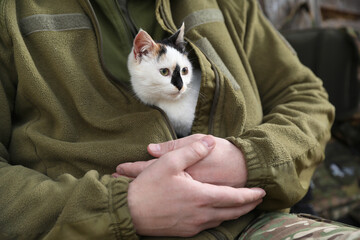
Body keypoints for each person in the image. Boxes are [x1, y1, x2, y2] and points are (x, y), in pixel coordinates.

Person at [0, 0, 359, 239]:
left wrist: (248, 159)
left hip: (253, 225)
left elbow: (305, 96)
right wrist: (122, 207)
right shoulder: (12, 13)